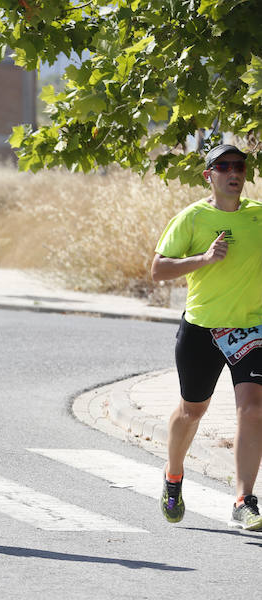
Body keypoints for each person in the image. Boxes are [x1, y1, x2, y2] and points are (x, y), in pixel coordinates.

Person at [152, 143, 262, 531]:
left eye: (240, 167)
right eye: (224, 166)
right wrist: (203, 259)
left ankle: (244, 500)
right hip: (202, 329)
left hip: (250, 328)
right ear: (208, 175)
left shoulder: (258, 216)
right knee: (192, 411)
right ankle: (173, 475)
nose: (234, 173)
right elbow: (158, 270)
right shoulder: (193, 218)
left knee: (253, 408)